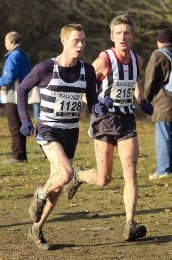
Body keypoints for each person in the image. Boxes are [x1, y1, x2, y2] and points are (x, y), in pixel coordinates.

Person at [17, 23, 111, 250]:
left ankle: (36, 228)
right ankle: (39, 194)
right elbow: (22, 90)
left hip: (71, 132)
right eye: (76, 41)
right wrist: (26, 121)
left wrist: (99, 108)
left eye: (83, 41)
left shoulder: (87, 70)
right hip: (48, 129)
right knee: (67, 174)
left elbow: (92, 100)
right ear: (64, 41)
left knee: (58, 186)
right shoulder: (46, 68)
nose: (80, 45)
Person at [66, 14, 154, 241]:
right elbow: (82, 87)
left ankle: (129, 223)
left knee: (131, 174)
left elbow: (134, 80)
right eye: (118, 33)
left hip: (126, 122)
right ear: (111, 36)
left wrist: (141, 100)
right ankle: (79, 175)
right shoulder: (105, 60)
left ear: (133, 36)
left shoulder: (138, 60)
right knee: (104, 179)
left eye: (127, 33)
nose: (122, 37)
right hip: (104, 122)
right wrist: (95, 105)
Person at [144, 29, 172, 180]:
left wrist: (145, 100)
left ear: (159, 42)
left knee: (163, 136)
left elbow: (150, 81)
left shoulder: (158, 55)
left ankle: (163, 170)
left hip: (164, 102)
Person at [0, 31, 31, 163]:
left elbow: (9, 77)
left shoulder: (13, 55)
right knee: (20, 124)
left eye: (6, 41)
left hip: (13, 95)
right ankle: (22, 155)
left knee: (14, 126)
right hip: (22, 94)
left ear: (11, 42)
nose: (5, 44)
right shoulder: (23, 55)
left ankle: (17, 155)